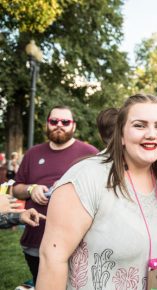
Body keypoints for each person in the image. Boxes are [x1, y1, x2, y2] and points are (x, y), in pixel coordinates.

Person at [37, 94, 157, 289]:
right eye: (140, 125)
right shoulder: (86, 178)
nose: (151, 134)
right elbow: (52, 259)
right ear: (120, 134)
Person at [12, 105, 98, 286]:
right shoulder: (33, 153)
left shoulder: (89, 153)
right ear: (47, 124)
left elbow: (102, 191)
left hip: (77, 242)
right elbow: (16, 188)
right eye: (54, 121)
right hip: (35, 239)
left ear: (73, 126)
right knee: (41, 284)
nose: (59, 125)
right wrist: (31, 189)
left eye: (65, 122)